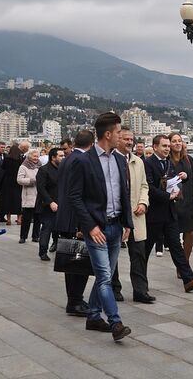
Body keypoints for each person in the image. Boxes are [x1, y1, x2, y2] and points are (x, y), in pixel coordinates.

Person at [68, 112, 133, 341]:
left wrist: (127, 223)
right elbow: (75, 197)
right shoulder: (84, 161)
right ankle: (115, 322)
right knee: (105, 276)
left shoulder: (118, 159)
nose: (121, 136)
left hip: (116, 226)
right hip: (96, 229)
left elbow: (124, 193)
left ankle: (94, 316)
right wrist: (91, 227)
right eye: (118, 133)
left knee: (103, 276)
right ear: (107, 134)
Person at [144, 134, 193, 292]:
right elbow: (149, 187)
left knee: (176, 247)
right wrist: (167, 196)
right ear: (155, 147)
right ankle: (141, 284)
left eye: (167, 146)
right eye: (164, 146)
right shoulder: (148, 163)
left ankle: (188, 279)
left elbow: (171, 181)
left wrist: (182, 179)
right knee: (145, 249)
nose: (167, 149)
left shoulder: (170, 163)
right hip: (155, 213)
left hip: (170, 211)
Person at [55, 130, 94, 317]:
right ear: (92, 144)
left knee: (72, 263)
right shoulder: (81, 160)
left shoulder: (68, 159)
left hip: (66, 215)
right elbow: (78, 194)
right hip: (75, 219)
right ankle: (75, 300)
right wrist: (81, 224)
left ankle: (74, 299)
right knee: (79, 263)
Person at [111, 126, 152, 303]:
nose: (129, 142)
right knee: (113, 254)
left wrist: (143, 202)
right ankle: (114, 289)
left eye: (131, 139)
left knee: (139, 254)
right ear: (117, 139)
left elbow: (144, 185)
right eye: (126, 139)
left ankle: (140, 291)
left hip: (136, 215)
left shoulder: (138, 161)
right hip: (117, 215)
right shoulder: (110, 160)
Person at [169, 132, 193, 261]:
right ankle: (180, 262)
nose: (177, 143)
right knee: (173, 237)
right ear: (169, 144)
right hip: (171, 203)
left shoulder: (188, 159)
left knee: (190, 233)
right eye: (174, 141)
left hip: (187, 203)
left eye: (179, 140)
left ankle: (184, 264)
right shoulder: (167, 161)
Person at [35, 147, 64, 260]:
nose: (63, 158)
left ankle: (56, 245)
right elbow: (41, 189)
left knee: (58, 228)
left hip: (61, 204)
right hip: (47, 205)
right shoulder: (44, 170)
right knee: (47, 227)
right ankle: (43, 251)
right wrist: (50, 202)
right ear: (53, 157)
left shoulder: (63, 169)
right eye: (60, 156)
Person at [17, 149, 42, 244]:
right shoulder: (23, 166)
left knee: (38, 218)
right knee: (26, 219)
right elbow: (19, 180)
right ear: (29, 156)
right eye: (34, 156)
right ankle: (23, 236)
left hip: (39, 195)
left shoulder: (40, 166)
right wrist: (32, 180)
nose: (36, 158)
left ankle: (36, 236)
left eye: (37, 156)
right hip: (28, 195)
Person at [0, 145, 23, 226]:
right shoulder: (20, 159)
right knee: (18, 200)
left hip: (7, 181)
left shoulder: (7, 158)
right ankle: (19, 219)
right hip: (17, 181)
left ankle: (8, 219)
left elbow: (3, 167)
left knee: (8, 200)